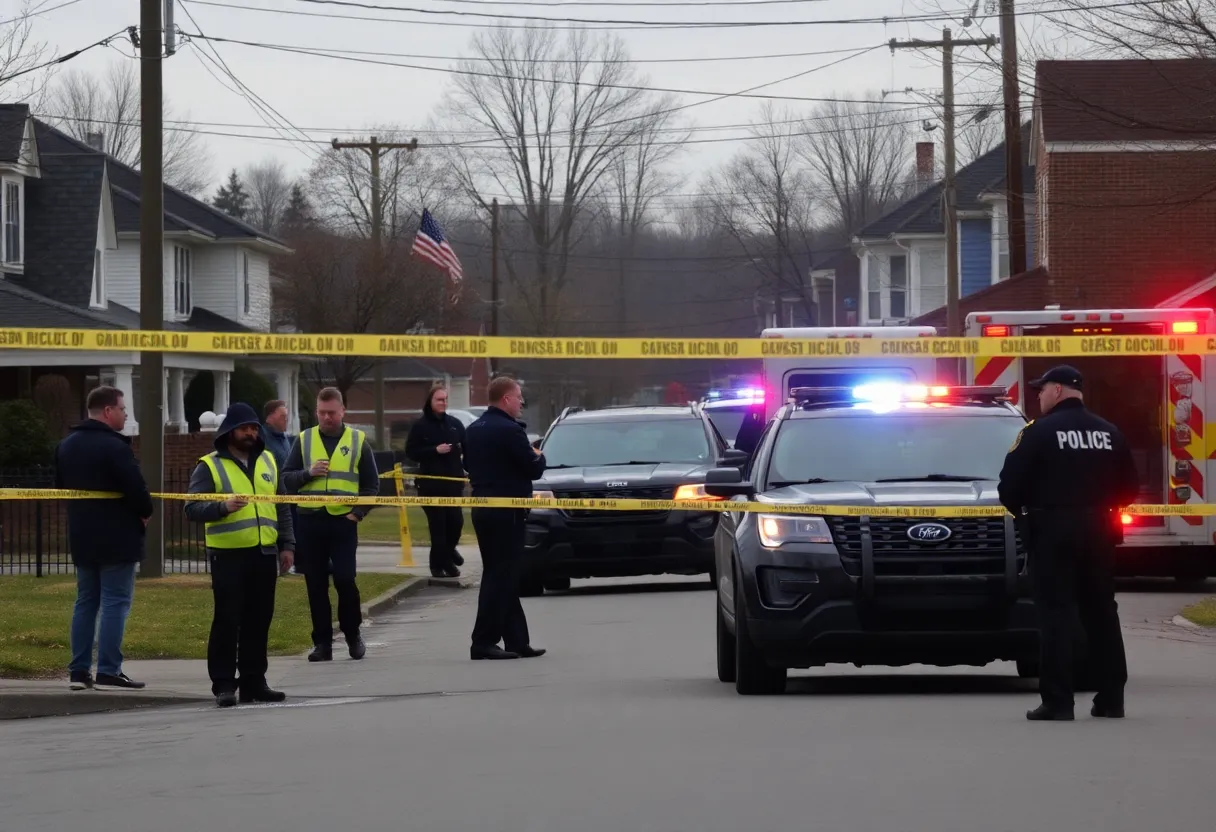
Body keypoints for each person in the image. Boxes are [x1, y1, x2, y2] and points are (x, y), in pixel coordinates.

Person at [998, 365, 1139, 722]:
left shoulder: (1037, 433)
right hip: (1100, 529)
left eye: (1042, 390)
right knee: (1102, 614)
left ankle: (1059, 701)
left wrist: (1030, 513)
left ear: (1057, 390)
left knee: (1057, 614)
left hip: (1052, 530)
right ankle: (1111, 700)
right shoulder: (1110, 432)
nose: (1039, 396)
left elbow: (1009, 488)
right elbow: (1130, 488)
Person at [184, 403, 296, 708]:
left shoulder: (269, 461)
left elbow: (281, 506)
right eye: (245, 428)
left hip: (264, 552)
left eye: (255, 428)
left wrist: (287, 545)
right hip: (228, 554)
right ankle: (223, 684)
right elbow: (191, 507)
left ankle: (254, 682)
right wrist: (222, 507)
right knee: (228, 620)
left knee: (258, 620)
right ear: (229, 431)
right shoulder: (209, 465)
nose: (251, 433)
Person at [54, 385, 153, 692]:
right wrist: (144, 512)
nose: (125, 414)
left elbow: (59, 488)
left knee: (85, 601)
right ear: (108, 411)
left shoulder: (67, 445)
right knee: (115, 602)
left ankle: (79, 671)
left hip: (82, 534)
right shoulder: (114, 447)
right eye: (123, 409)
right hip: (117, 535)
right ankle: (109, 669)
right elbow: (136, 490)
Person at [282, 387, 379, 662]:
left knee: (345, 580)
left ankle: (352, 635)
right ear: (316, 412)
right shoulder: (304, 439)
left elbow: (372, 485)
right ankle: (322, 643)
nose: (327, 418)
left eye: (332, 413)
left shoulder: (358, 440)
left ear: (342, 411)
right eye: (322, 413)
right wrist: (307, 473)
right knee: (315, 584)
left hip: (343, 522)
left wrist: (358, 513)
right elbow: (286, 479)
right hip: (310, 522)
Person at [463, 376, 547, 660]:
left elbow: (467, 464)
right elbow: (533, 468)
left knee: (502, 574)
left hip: (482, 509)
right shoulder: (510, 431)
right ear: (506, 399)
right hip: (506, 512)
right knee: (500, 576)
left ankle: (516, 639)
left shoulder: (473, 429)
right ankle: (483, 641)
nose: (522, 402)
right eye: (519, 397)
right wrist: (539, 455)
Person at [405, 383, 467, 578]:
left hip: (453, 483)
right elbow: (411, 452)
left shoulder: (455, 424)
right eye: (440, 399)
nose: (443, 403)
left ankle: (447, 554)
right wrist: (434, 451)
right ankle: (440, 565)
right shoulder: (420, 426)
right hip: (431, 485)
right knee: (438, 526)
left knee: (456, 523)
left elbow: (467, 447)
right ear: (430, 401)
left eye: (445, 399)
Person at [262, 399, 298, 573]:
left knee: (289, 530)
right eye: (282, 416)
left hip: (289, 495)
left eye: (287, 416)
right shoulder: (262, 437)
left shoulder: (284, 438)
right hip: (271, 494)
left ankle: (291, 562)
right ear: (270, 418)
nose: (286, 420)